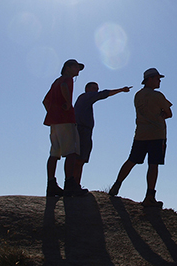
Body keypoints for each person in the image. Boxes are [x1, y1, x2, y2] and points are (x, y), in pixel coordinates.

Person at [109, 68, 172, 207]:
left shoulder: (138, 95)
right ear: (149, 79)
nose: (159, 81)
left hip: (141, 134)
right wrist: (161, 115)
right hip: (156, 134)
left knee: (132, 160)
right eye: (157, 78)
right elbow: (169, 113)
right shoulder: (158, 96)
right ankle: (150, 196)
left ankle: (116, 185)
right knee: (153, 164)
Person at [43, 59, 87, 197]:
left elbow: (45, 100)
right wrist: (68, 103)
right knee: (71, 152)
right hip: (66, 120)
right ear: (68, 67)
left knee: (54, 154)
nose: (78, 71)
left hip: (54, 122)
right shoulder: (66, 79)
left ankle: (51, 184)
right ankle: (70, 183)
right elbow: (64, 86)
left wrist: (52, 112)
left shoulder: (55, 81)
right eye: (76, 67)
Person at [74, 82, 132, 185]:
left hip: (83, 130)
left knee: (80, 160)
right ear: (87, 89)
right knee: (79, 159)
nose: (96, 91)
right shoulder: (87, 96)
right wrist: (121, 89)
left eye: (97, 89)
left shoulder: (84, 99)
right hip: (82, 130)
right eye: (94, 88)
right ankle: (74, 185)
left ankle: (75, 185)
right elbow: (103, 94)